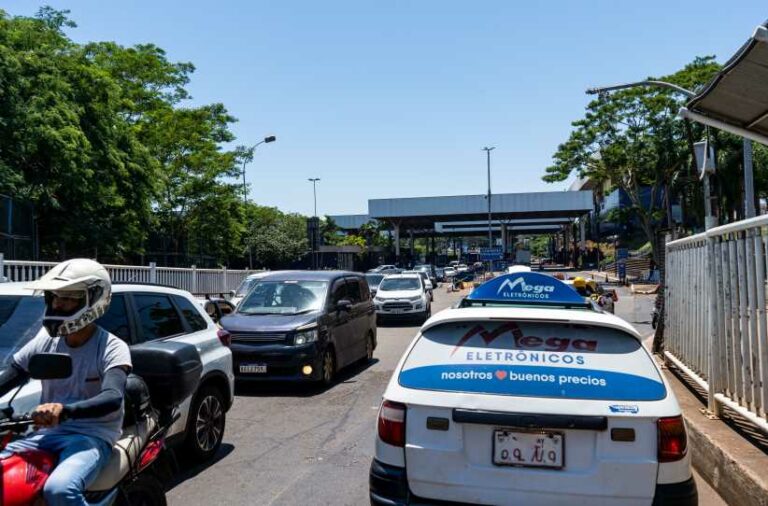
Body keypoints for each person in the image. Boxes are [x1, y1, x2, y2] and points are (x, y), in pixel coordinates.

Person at [0, 259, 132, 505]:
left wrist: (64, 410)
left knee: (60, 490)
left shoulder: (112, 347)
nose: (58, 304)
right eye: (55, 297)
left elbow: (113, 397)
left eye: (69, 298)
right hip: (44, 434)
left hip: (92, 435)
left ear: (94, 299)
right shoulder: (44, 341)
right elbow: (12, 374)